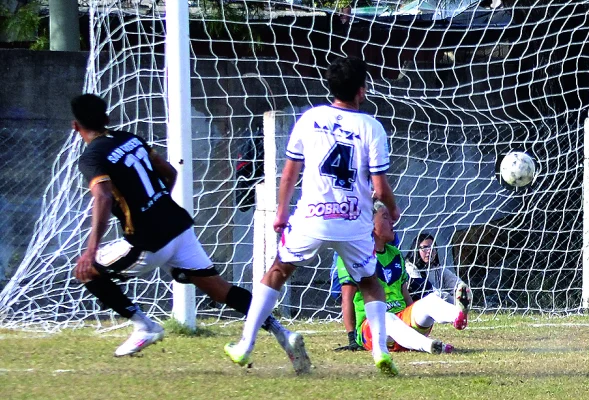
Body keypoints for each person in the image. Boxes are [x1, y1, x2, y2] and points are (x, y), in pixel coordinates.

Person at [71, 94, 296, 359]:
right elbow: (171, 173)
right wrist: (156, 204)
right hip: (178, 227)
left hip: (148, 241)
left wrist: (91, 249)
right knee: (220, 289)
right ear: (107, 118)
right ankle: (284, 334)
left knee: (87, 273)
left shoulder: (91, 157)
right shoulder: (131, 139)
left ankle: (145, 326)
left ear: (76, 126)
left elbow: (103, 196)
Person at [224, 56, 401, 376]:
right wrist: (392, 206)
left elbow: (289, 173)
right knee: (369, 282)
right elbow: (379, 184)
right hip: (353, 221)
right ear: (362, 90)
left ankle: (245, 344)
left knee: (277, 272)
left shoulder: (310, 118)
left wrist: (280, 212)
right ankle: (380, 351)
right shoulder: (371, 127)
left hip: (312, 218)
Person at [338, 201, 471, 354]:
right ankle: (428, 345)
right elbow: (347, 299)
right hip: (372, 329)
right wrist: (352, 339)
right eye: (385, 217)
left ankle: (458, 315)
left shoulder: (395, 254)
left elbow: (405, 294)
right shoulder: (354, 256)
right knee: (385, 317)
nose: (392, 221)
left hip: (403, 323)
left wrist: (415, 312)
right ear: (370, 223)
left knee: (431, 299)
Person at [405, 233, 470, 305]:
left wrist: (463, 292)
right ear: (416, 249)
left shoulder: (437, 268)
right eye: (425, 248)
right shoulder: (410, 268)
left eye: (432, 247)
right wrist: (453, 301)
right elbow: (429, 293)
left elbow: (455, 282)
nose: (429, 251)